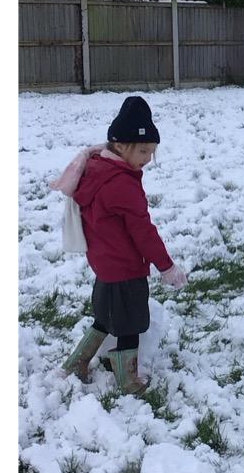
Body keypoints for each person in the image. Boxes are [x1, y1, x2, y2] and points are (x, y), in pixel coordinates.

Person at [54, 96, 187, 392]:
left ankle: (77, 362)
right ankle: (128, 380)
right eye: (142, 150)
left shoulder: (97, 169)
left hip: (105, 265)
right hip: (125, 267)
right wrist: (166, 267)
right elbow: (144, 233)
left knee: (106, 317)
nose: (147, 159)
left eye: (151, 152)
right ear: (122, 145)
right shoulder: (122, 184)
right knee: (130, 325)